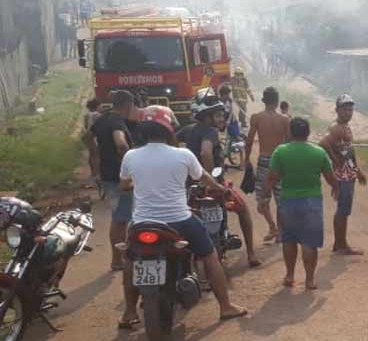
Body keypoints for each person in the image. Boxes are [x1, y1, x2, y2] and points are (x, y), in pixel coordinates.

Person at [118, 106, 247, 328]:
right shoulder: (183, 155)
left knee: (130, 260)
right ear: (169, 128)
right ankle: (225, 306)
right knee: (210, 255)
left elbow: (124, 183)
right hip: (180, 220)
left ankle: (129, 312)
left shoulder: (131, 155)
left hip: (143, 223)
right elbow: (204, 177)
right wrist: (219, 188)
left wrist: (137, 183)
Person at [188, 98, 261, 267]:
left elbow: (175, 140)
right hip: (212, 186)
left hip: (191, 187)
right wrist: (211, 181)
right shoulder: (210, 132)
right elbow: (206, 152)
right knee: (243, 210)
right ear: (207, 117)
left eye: (222, 115)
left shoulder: (190, 130)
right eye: (218, 115)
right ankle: (251, 254)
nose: (222, 119)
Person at [268, 118, 338, 290]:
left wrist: (263, 197)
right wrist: (336, 188)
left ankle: (290, 276)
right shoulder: (319, 152)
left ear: (291, 132)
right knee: (309, 243)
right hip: (312, 202)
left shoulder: (280, 151)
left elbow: (272, 178)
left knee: (289, 240)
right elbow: (330, 177)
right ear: (308, 133)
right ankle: (309, 280)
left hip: (288, 201)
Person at [88, 90, 137, 271]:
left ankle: (119, 258)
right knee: (121, 219)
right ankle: (118, 260)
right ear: (128, 105)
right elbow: (121, 143)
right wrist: (130, 165)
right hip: (119, 177)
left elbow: (90, 142)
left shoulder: (101, 119)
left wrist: (95, 167)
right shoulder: (117, 122)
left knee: (119, 216)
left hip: (107, 175)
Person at [319, 94, 367, 255]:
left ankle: (340, 243)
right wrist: (334, 159)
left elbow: (349, 151)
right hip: (342, 175)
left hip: (349, 174)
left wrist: (357, 170)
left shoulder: (346, 127)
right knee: (342, 210)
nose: (348, 112)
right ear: (337, 110)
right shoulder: (336, 127)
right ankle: (340, 245)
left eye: (350, 109)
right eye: (345, 109)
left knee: (344, 210)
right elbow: (323, 143)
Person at [244, 86, 292, 242]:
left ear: (263, 100)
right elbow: (290, 142)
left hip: (264, 161)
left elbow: (249, 140)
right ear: (277, 102)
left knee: (262, 200)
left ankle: (273, 227)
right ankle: (279, 232)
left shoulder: (256, 118)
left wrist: (246, 160)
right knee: (281, 200)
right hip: (281, 161)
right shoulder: (285, 119)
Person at [83, 99, 102, 180]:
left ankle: (93, 173)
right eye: (100, 106)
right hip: (95, 136)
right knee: (97, 155)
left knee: (91, 155)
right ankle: (97, 173)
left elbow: (85, 126)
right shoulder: (98, 115)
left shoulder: (86, 115)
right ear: (97, 106)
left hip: (88, 136)